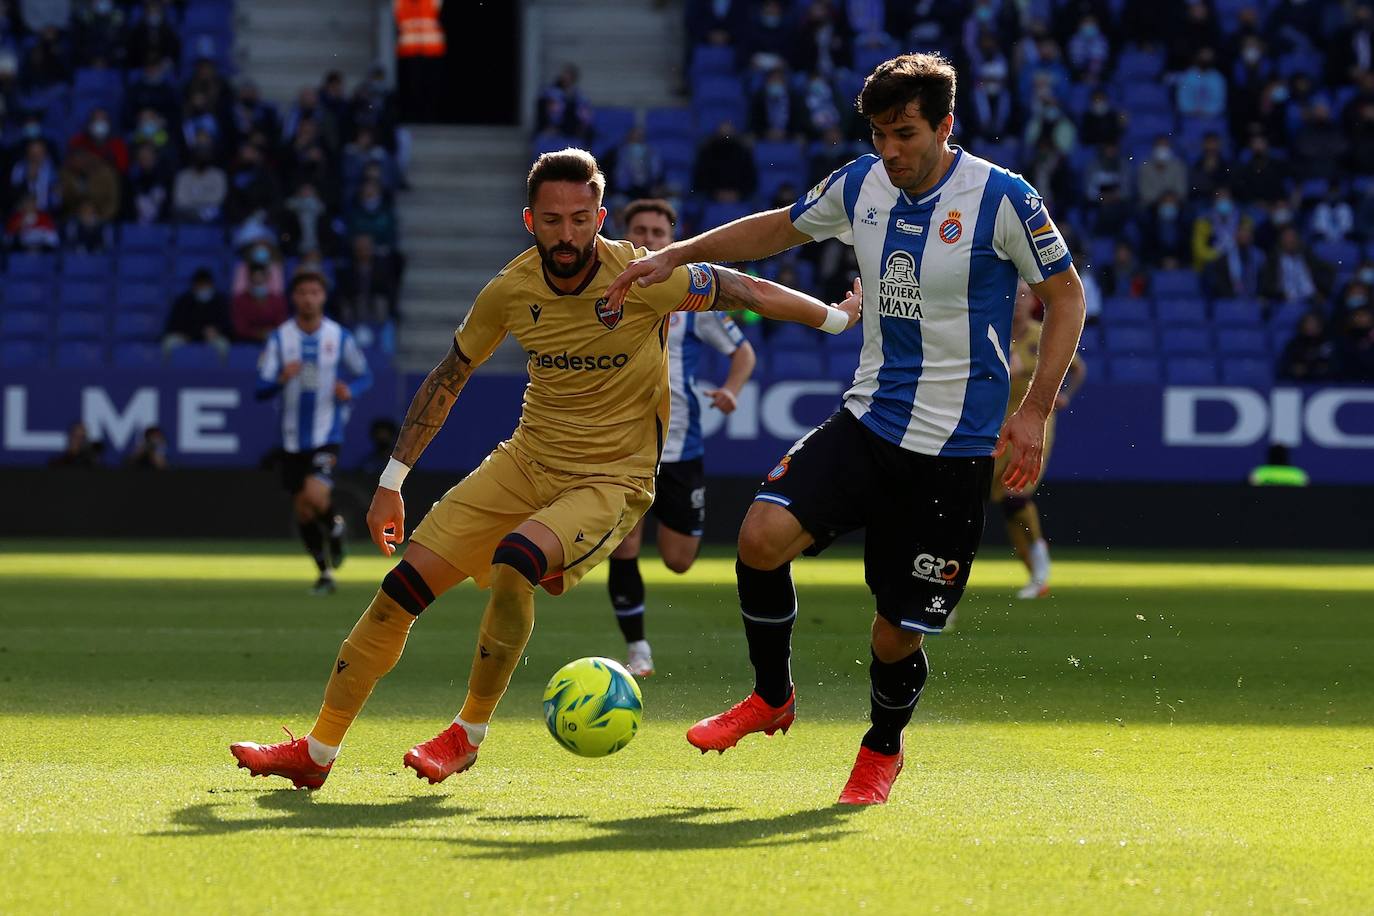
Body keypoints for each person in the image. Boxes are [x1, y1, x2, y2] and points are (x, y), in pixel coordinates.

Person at [228, 148, 860, 790]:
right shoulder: (511, 289)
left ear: (600, 217)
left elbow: (741, 288)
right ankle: (317, 753)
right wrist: (391, 482)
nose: (567, 234)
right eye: (552, 221)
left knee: (515, 562)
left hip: (611, 478)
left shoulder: (641, 277)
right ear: (530, 221)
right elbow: (450, 378)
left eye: (580, 219)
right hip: (526, 459)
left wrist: (833, 317)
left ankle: (465, 734)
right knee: (397, 596)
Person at [606, 53, 1086, 805]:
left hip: (952, 455)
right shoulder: (860, 183)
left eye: (904, 134)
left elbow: (1066, 297)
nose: (888, 150)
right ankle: (772, 696)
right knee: (760, 540)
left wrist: (1032, 412)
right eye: (877, 133)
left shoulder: (1001, 199)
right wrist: (675, 252)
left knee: (895, 633)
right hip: (866, 422)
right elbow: (776, 230)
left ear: (944, 126)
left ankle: (881, 749)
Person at [606, 199, 758, 677]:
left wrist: (731, 391)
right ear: (624, 236)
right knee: (626, 546)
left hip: (681, 447)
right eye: (639, 230)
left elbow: (744, 353)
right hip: (625, 448)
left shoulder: (692, 296)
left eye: (657, 231)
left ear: (671, 240)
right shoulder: (604, 293)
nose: (648, 238)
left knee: (678, 559)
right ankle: (638, 650)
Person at [253, 269, 374, 595]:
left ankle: (335, 528)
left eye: (314, 293)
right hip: (291, 439)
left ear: (323, 297)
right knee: (303, 509)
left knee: (314, 495)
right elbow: (259, 388)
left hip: (327, 434)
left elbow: (365, 375)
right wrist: (281, 378)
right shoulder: (280, 339)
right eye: (303, 292)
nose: (308, 298)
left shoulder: (338, 337)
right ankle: (325, 573)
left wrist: (350, 390)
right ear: (294, 297)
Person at [989, 280, 1085, 598]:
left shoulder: (1041, 334)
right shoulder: (991, 332)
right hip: (992, 426)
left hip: (1033, 426)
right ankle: (1035, 576)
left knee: (1017, 496)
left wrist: (1063, 395)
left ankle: (1040, 566)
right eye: (1010, 296)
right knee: (1003, 505)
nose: (1016, 302)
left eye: (1022, 296)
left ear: (1032, 302)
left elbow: (1077, 368)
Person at [163, 268, 232, 358]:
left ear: (211, 285)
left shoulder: (219, 301)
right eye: (200, 285)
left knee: (223, 344)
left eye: (206, 285)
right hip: (185, 336)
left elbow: (227, 324)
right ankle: (167, 370)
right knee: (169, 342)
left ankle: (223, 371)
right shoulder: (184, 301)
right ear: (194, 286)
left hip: (213, 338)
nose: (203, 288)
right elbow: (174, 323)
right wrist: (186, 334)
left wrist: (217, 330)